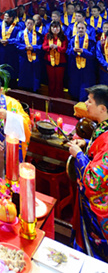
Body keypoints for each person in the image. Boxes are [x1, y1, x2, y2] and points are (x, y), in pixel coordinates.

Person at [68, 85, 108, 261]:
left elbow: (94, 181)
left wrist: (79, 156)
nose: (85, 104)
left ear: (102, 108)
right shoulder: (103, 128)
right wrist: (86, 144)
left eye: (89, 101)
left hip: (100, 208)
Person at [66, 21, 96, 101]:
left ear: (86, 29)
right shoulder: (72, 40)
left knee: (85, 85)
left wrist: (83, 51)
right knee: (74, 84)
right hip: (75, 66)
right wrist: (73, 51)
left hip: (87, 67)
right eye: (79, 28)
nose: (80, 30)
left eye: (82, 28)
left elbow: (92, 55)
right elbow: (68, 52)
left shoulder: (91, 41)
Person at [16, 18, 43, 92]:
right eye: (28, 23)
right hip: (24, 57)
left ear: (34, 25)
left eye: (31, 23)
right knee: (24, 73)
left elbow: (41, 45)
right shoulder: (20, 33)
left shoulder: (38, 35)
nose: (29, 25)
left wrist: (33, 48)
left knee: (34, 74)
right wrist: (25, 47)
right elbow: (17, 44)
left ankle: (34, 89)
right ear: (25, 23)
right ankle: (23, 89)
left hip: (34, 57)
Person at [42, 21, 68, 98]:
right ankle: (51, 97)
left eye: (57, 27)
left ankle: (59, 98)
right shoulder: (47, 36)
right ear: (51, 28)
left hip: (60, 62)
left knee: (59, 81)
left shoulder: (64, 37)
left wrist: (57, 47)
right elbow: (44, 47)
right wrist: (50, 47)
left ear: (60, 28)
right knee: (51, 80)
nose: (55, 29)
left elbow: (64, 49)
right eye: (53, 27)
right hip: (49, 61)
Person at [0, 11, 20, 86]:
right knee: (2, 65)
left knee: (11, 67)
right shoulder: (1, 24)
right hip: (2, 50)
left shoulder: (17, 26)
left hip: (11, 51)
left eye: (7, 16)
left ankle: (12, 83)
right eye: (4, 16)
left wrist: (8, 41)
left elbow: (18, 39)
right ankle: (1, 81)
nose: (5, 18)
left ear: (12, 18)